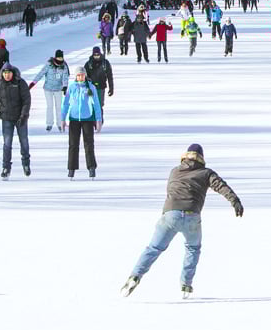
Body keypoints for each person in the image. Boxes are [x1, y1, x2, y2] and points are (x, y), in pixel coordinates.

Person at [121, 144, 243, 299]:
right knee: (192, 248)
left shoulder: (175, 171)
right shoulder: (206, 173)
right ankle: (186, 285)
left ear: (185, 156)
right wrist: (235, 201)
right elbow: (221, 186)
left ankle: (135, 277)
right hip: (192, 216)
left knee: (154, 248)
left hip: (171, 214)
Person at [0, 64, 31, 179]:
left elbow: (26, 100)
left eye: (9, 73)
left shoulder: (20, 83)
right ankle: (6, 167)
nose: (7, 75)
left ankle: (26, 163)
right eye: (5, 73)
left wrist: (24, 115)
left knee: (24, 141)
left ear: (13, 73)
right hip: (6, 118)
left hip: (20, 118)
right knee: (7, 144)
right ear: (2, 74)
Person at [62, 67, 100, 179]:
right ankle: (71, 168)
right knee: (73, 145)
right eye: (78, 75)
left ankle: (91, 167)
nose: (80, 77)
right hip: (74, 119)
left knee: (89, 144)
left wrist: (98, 119)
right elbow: (66, 104)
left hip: (87, 119)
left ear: (85, 75)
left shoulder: (90, 87)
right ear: (76, 76)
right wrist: (63, 118)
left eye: (82, 75)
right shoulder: (72, 87)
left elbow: (96, 104)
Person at [30, 49, 69, 132]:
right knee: (50, 106)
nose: (60, 60)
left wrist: (65, 87)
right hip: (48, 89)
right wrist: (33, 83)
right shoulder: (49, 64)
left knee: (59, 107)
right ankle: (49, 123)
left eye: (61, 59)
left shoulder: (64, 66)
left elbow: (65, 77)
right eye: (58, 58)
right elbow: (41, 73)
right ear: (55, 58)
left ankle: (59, 124)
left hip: (58, 89)